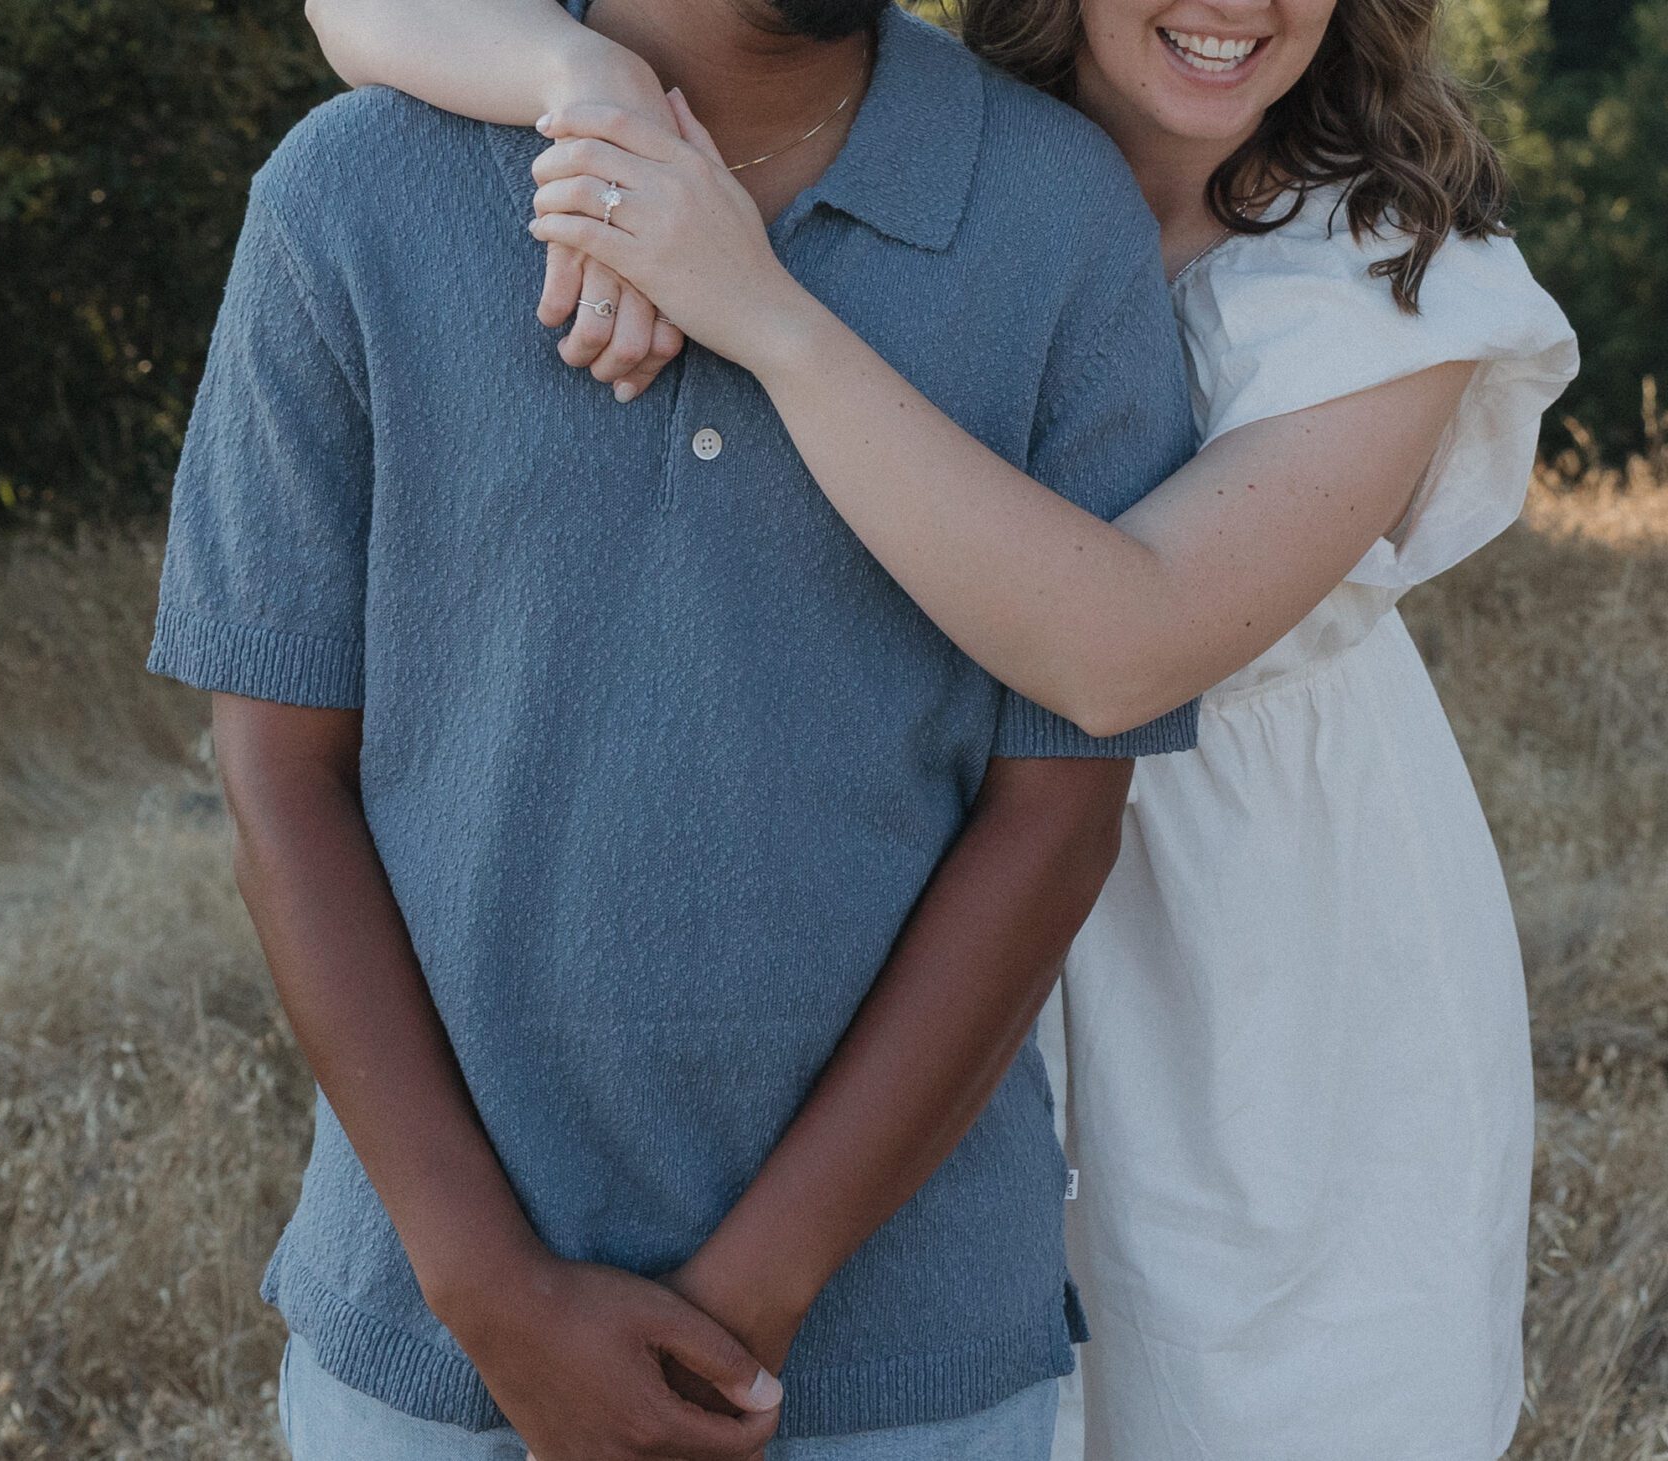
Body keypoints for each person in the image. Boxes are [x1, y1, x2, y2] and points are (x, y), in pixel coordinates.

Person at [306, 1, 1584, 1458]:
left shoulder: (1392, 280)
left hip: (1248, 942)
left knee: (1270, 1389)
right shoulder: (910, 127)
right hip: (909, 871)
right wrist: (589, 81)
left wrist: (758, 304)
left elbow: (1122, 655)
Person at [145, 1, 1210, 1457]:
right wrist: (492, 1294)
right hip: (435, 1347)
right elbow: (278, 772)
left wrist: (755, 1293)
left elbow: (1059, 808)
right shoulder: (353, 191)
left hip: (907, 1359)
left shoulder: (1051, 206)